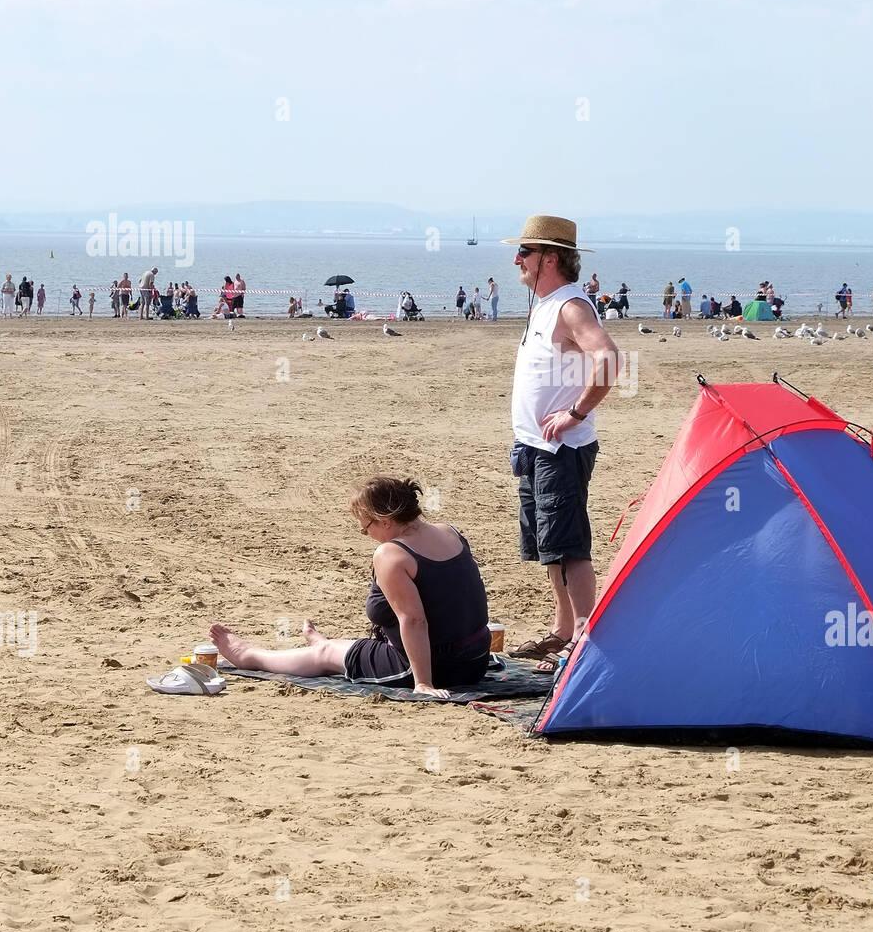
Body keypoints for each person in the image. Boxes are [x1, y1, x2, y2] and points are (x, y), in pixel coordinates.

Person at [207, 476, 491, 698]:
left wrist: (424, 683)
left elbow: (414, 620)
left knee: (326, 656)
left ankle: (251, 656)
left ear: (386, 520)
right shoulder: (449, 532)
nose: (366, 534)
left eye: (365, 526)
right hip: (475, 660)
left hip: (436, 668)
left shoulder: (392, 554)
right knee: (349, 648)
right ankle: (329, 645)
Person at [502, 215, 619, 674]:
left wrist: (576, 412)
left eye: (525, 252)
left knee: (569, 545)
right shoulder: (546, 305)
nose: (517, 259)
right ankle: (563, 630)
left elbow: (609, 359)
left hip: (562, 449)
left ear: (550, 258)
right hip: (533, 446)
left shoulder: (571, 306)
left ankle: (584, 637)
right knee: (548, 545)